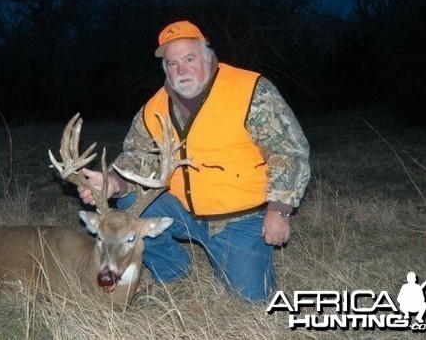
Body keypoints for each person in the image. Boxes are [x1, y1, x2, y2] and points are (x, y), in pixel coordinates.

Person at [78, 20, 310, 302]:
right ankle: (173, 271)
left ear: (207, 56)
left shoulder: (250, 91)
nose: (181, 70)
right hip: (181, 210)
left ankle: (236, 257)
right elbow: (137, 157)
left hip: (240, 218)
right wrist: (113, 183)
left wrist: (280, 209)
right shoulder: (154, 108)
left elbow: (289, 150)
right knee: (129, 206)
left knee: (251, 299)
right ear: (165, 69)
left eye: (189, 59)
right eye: (173, 64)